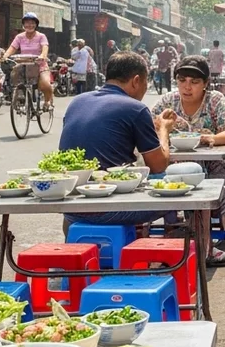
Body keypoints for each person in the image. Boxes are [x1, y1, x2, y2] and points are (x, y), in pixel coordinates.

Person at [60, 51, 175, 231]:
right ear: (136, 81)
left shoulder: (77, 102)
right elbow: (158, 165)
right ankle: (175, 248)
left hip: (72, 208)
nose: (145, 88)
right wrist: (163, 130)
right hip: (112, 208)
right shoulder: (135, 108)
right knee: (176, 181)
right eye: (146, 82)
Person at [149, 56, 225, 265]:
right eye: (182, 81)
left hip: (214, 164)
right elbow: (150, 125)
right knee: (162, 182)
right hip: (176, 165)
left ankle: (205, 246)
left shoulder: (215, 100)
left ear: (206, 83)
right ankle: (173, 240)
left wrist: (211, 138)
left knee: (206, 187)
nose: (187, 87)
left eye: (195, 82)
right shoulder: (167, 102)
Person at [4, 12, 54, 111]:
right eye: (27, 23)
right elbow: (12, 48)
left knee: (45, 84)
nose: (29, 25)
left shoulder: (41, 36)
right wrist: (5, 56)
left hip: (39, 64)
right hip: (23, 64)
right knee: (14, 75)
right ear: (23, 24)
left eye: (32, 23)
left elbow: (45, 47)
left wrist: (42, 56)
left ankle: (48, 101)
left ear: (36, 25)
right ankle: (19, 96)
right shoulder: (19, 37)